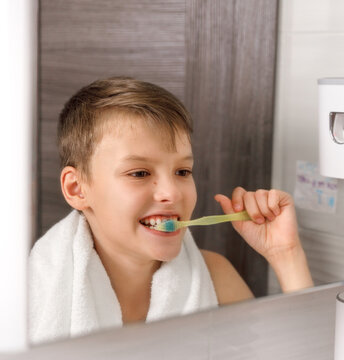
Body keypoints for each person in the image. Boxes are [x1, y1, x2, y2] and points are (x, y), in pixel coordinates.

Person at [29, 77, 313, 344]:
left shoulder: (216, 278)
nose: (173, 192)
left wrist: (286, 256)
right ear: (77, 189)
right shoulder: (24, 294)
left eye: (182, 171)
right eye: (139, 173)